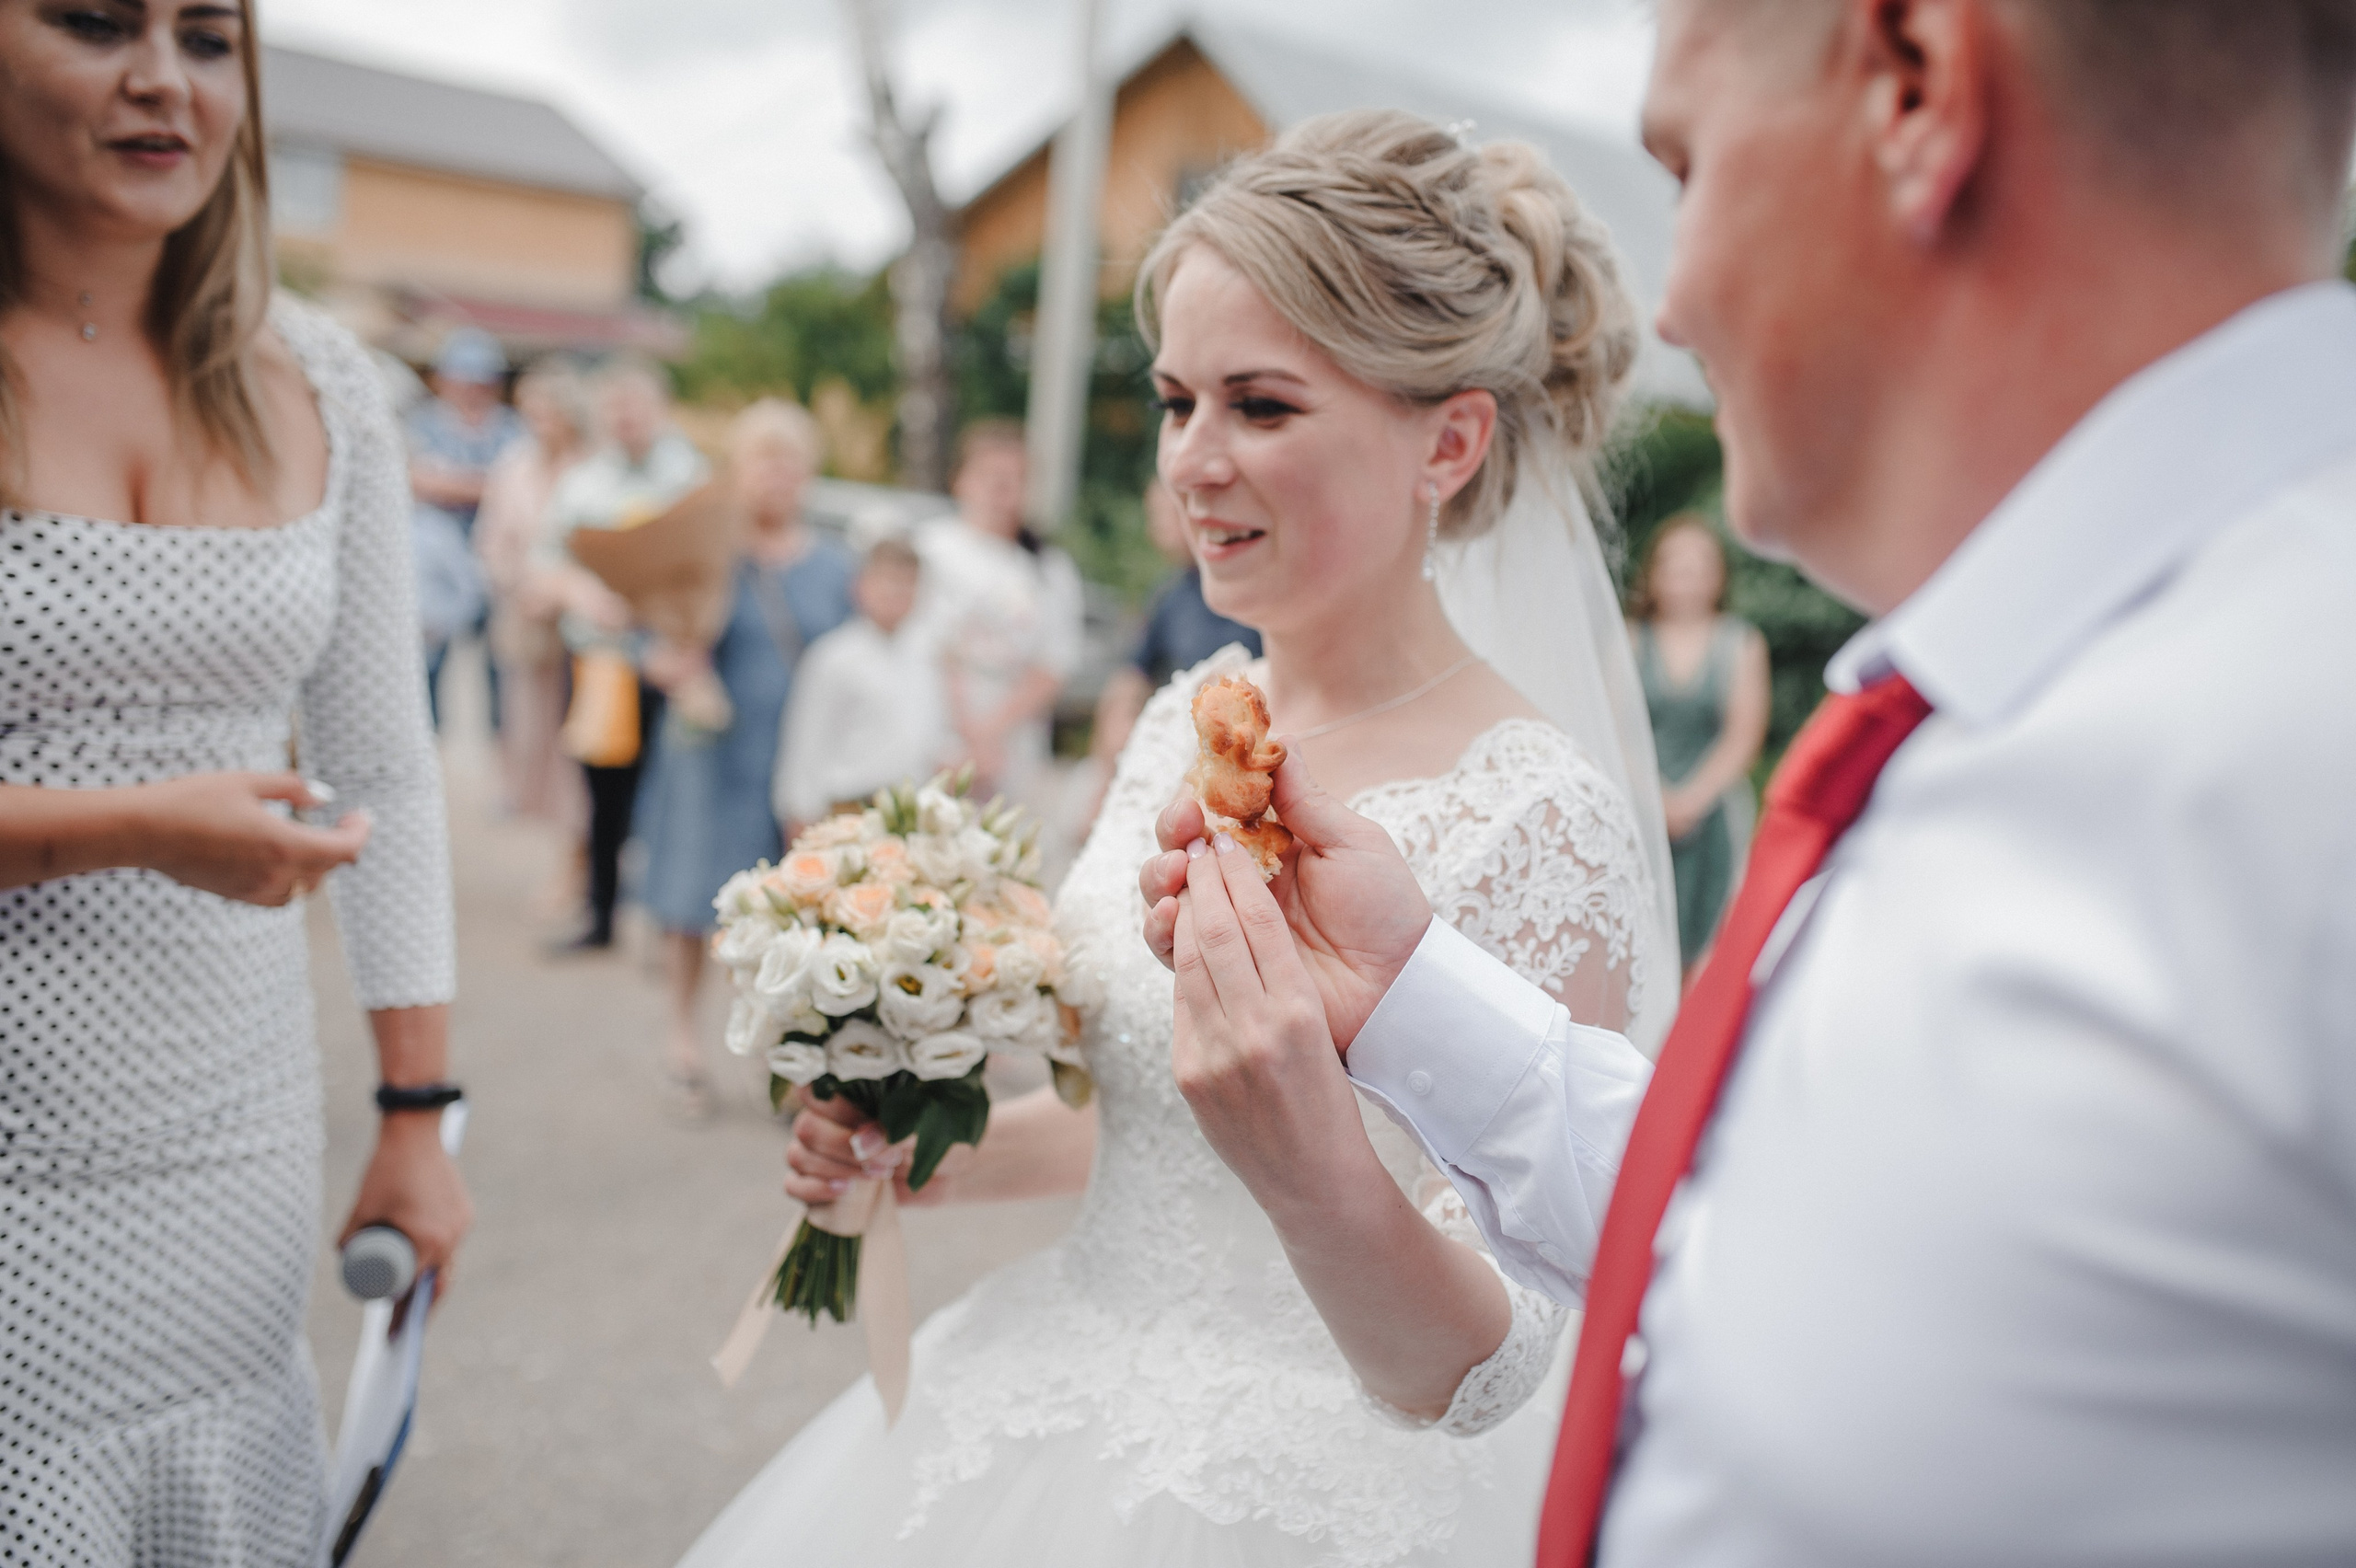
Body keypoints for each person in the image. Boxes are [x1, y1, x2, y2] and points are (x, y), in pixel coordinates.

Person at [1144, 4, 2356, 1565]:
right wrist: (1411, 994)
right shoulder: (2002, 696)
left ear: (1916, 84)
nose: (1669, 303)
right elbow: (1803, 1256)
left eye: (1687, 162)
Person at [677, 110, 1678, 1567]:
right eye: (1174, 400)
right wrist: (928, 1155)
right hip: (1060, 1389)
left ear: (1447, 441)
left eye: (1260, 407)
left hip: (1338, 1489)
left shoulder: (1537, 810)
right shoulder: (1185, 717)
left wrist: (1311, 1167)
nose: (1190, 464)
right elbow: (1139, 1123)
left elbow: (1504, 1353)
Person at [0, 0, 471, 1556]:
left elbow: (382, 770)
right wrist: (125, 827)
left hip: (231, 1144)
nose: (162, 78)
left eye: (209, 37)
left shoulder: (325, 383)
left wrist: (418, 1106)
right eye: (93, 21)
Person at [638, 399, 856, 1114]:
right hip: (712, 753)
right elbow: (655, 643)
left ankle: (782, 1056)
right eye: (763, 458)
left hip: (800, 762)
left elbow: (859, 660)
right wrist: (678, 670)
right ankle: (681, 1040)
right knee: (691, 901)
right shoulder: (709, 553)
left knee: (790, 911)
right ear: (740, 470)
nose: (776, 475)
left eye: (789, 459)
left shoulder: (835, 565)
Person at [542, 358, 707, 952]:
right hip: (602, 663)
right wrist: (583, 593)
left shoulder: (689, 478)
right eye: (617, 408)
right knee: (603, 794)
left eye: (637, 406)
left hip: (669, 659)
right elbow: (546, 563)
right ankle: (601, 915)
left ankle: (670, 925)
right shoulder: (582, 483)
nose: (627, 419)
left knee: (671, 793)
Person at [916, 421, 1083, 813]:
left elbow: (1054, 664)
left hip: (1014, 748)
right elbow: (924, 647)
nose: (1002, 490)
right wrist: (964, 739)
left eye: (1015, 479)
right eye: (991, 477)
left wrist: (991, 735)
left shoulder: (1049, 569)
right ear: (960, 480)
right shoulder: (930, 550)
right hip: (936, 730)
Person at [1627, 514, 1768, 979]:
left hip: (1714, 817)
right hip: (1642, 809)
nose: (1686, 576)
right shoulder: (1629, 640)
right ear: (1654, 573)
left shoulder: (1741, 643)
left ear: (1718, 575)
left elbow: (1743, 735)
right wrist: (1656, 800)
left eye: (1698, 564)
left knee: (1708, 953)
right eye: (1675, 564)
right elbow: (1618, 729)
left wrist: (1690, 801)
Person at [473, 359, 594, 833]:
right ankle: (536, 809)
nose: (536, 423)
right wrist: (520, 584)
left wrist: (562, 590)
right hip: (525, 617)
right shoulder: (513, 465)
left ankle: (579, 833)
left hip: (581, 622)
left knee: (579, 733)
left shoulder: (590, 469)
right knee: (528, 723)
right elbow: (491, 541)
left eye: (545, 413)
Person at [1089, 478, 1262, 776]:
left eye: (1162, 516)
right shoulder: (1169, 593)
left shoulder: (1255, 591)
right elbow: (1133, 672)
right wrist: (1116, 723)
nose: (1153, 530)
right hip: (1177, 743)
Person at [774, 536, 943, 833]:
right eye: (886, 581)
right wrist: (798, 814)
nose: (895, 592)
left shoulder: (929, 657)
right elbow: (806, 742)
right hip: (848, 812)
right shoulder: (832, 657)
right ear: (859, 587)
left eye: (906, 583)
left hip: (911, 814)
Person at [408, 327, 522, 728]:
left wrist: (453, 484)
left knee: (499, 670)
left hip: (494, 561)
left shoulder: (513, 429)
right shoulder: (422, 424)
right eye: (465, 379)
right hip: (434, 566)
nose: (473, 390)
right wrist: (489, 485)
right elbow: (416, 480)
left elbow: (520, 488)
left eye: (482, 381)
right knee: (426, 667)